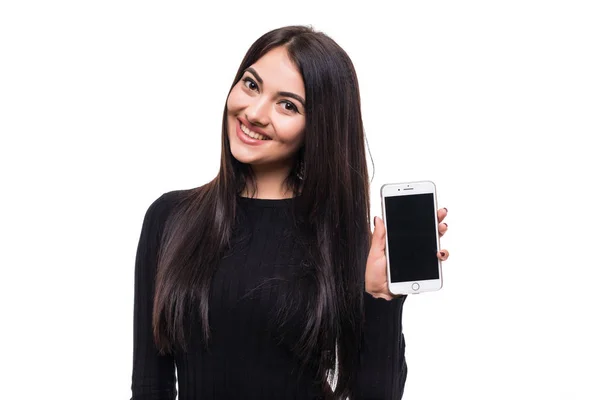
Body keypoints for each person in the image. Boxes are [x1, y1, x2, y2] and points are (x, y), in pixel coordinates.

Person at [130, 25, 450, 400]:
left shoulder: (342, 240)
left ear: (319, 127)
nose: (254, 112)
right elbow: (151, 386)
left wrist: (381, 298)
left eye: (287, 105)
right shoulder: (169, 219)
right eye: (251, 85)